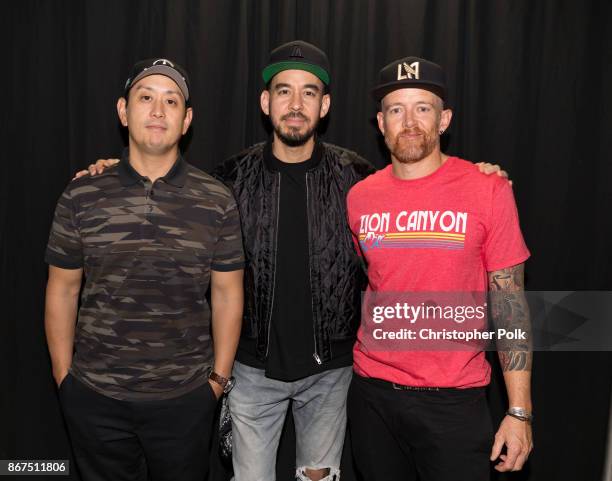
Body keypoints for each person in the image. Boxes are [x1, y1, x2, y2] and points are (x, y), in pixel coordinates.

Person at [77, 44, 509, 481]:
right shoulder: (229, 179)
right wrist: (116, 172)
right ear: (267, 103)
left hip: (334, 373)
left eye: (309, 93)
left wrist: (478, 176)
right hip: (250, 369)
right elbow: (173, 184)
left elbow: (418, 181)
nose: (296, 105)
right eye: (284, 92)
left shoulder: (358, 179)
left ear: (325, 106)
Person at [44, 58, 245, 481]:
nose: (158, 110)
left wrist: (216, 382)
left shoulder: (216, 200)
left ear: (186, 119)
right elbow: (62, 290)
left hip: (185, 398)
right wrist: (65, 380)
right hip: (95, 398)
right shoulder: (82, 194)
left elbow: (227, 293)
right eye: (146, 98)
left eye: (171, 101)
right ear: (123, 110)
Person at [346, 56, 533, 481]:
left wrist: (519, 411)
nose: (409, 121)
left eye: (423, 108)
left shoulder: (488, 189)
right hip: (372, 396)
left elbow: (511, 306)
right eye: (396, 109)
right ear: (380, 123)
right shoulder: (359, 198)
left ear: (444, 119)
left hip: (454, 403)